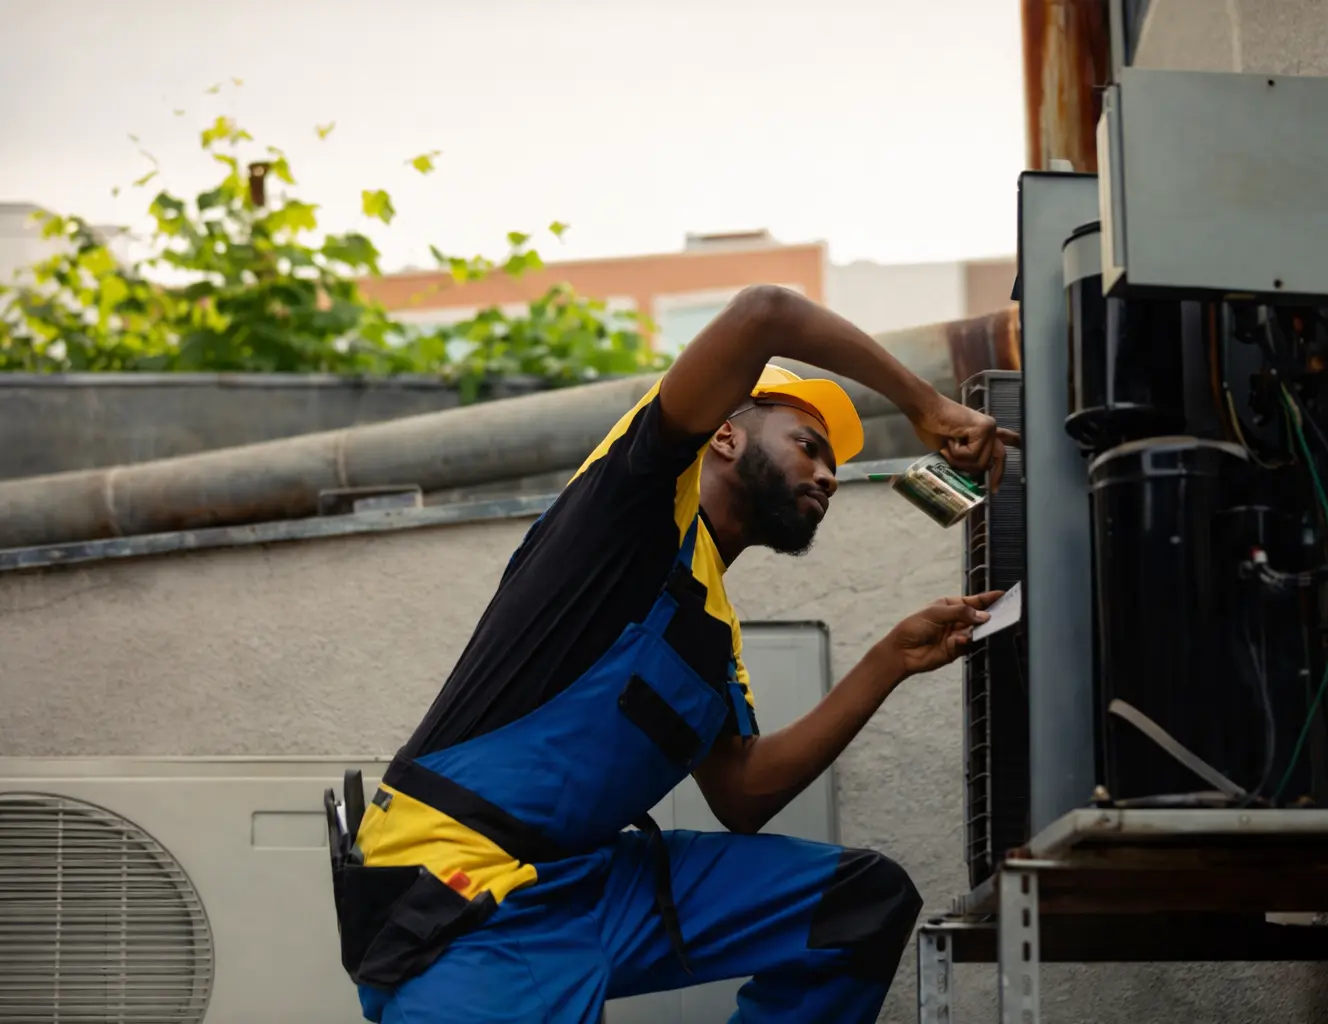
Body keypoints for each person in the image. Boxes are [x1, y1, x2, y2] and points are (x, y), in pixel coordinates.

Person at [331, 284, 1016, 1024]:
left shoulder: (713, 624)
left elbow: (742, 794)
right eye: (807, 445)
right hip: (455, 890)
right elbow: (764, 314)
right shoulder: (635, 498)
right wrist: (925, 405)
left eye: (831, 464)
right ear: (724, 436)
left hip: (584, 886)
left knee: (858, 904)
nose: (826, 475)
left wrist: (890, 660)